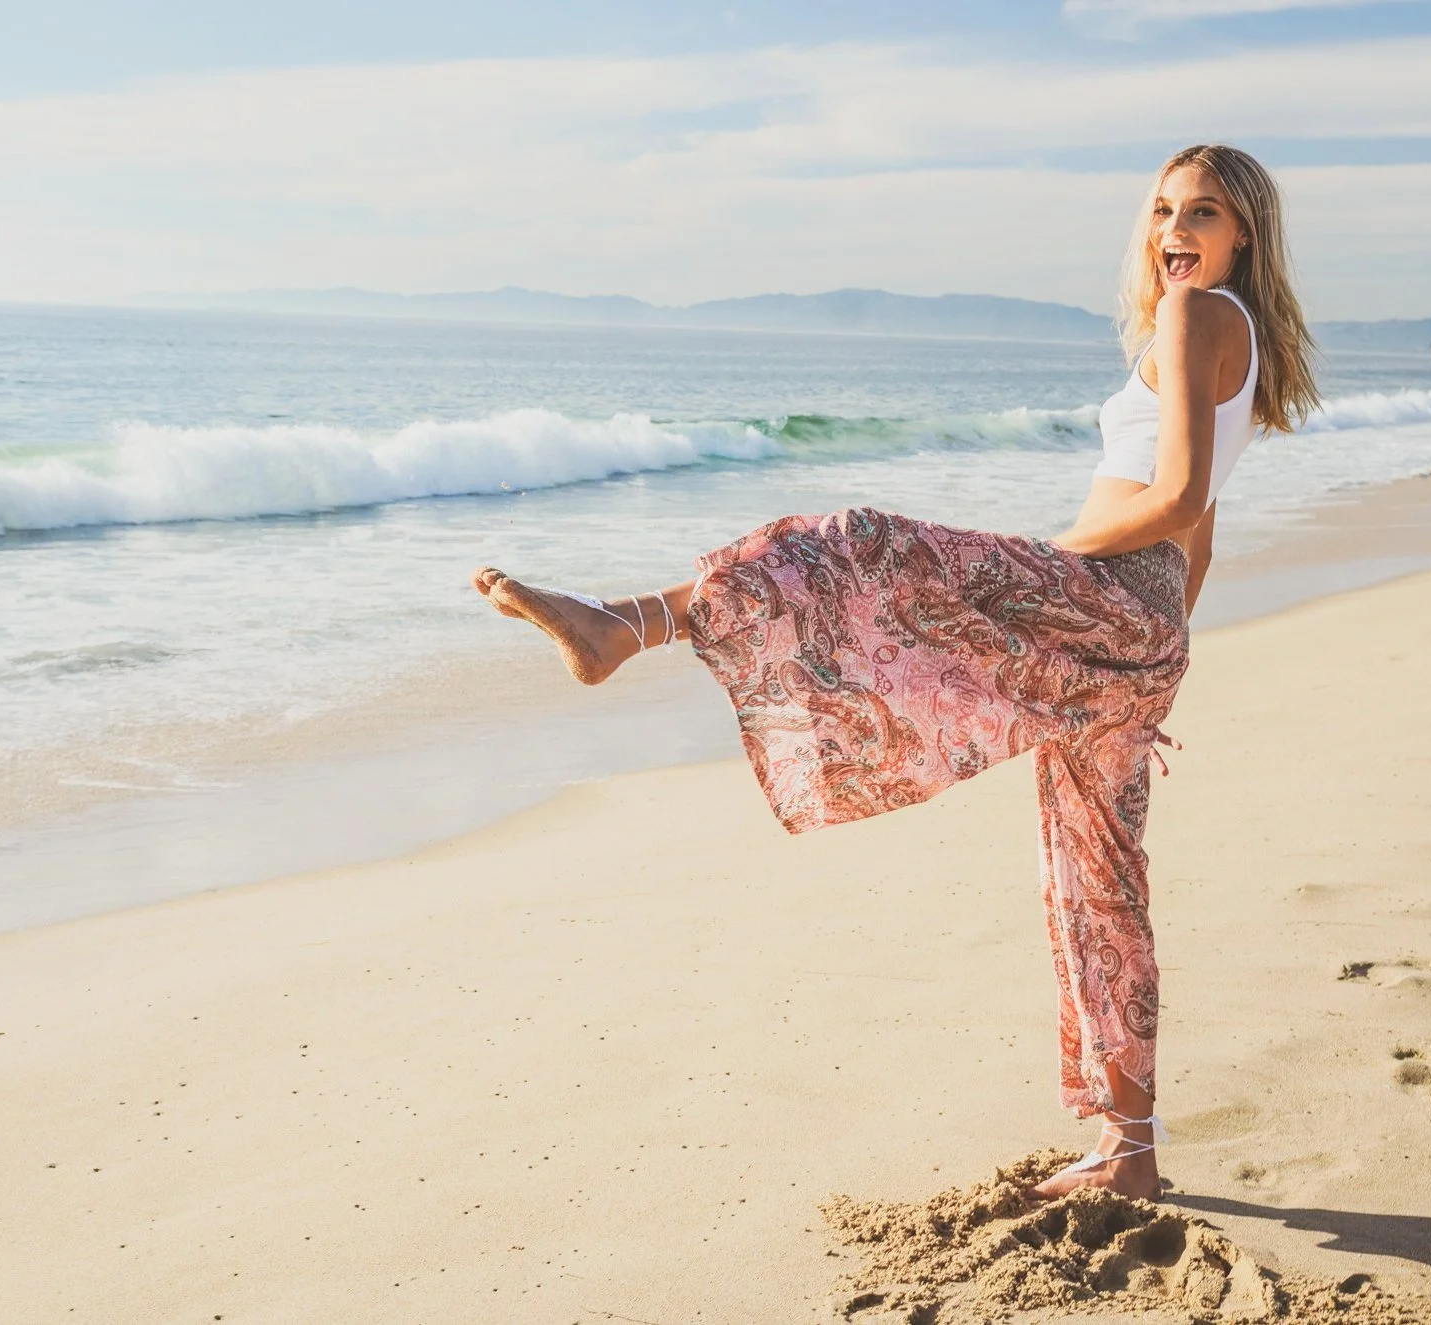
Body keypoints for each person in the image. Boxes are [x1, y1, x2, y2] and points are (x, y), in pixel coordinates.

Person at [473, 144, 1321, 1200]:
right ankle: (1130, 1149)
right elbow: (1206, 528)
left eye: (1199, 211)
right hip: (1138, 631)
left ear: (1243, 229)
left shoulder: (1193, 318)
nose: (1172, 231)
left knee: (861, 542)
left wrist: (1067, 573)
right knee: (1096, 886)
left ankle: (628, 622)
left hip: (1105, 596)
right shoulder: (1233, 333)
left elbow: (1181, 498)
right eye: (1159, 210)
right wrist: (1151, 658)